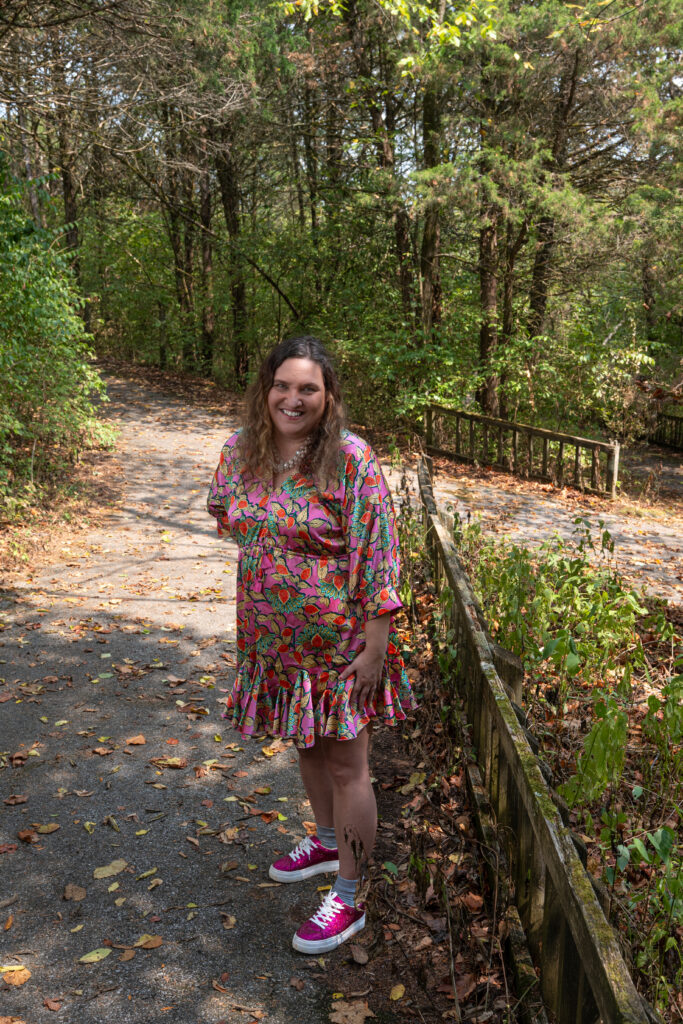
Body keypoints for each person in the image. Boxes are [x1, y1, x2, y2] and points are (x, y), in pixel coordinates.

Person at [207, 335, 416, 954]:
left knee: (348, 765)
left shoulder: (352, 460)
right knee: (306, 743)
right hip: (272, 644)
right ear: (264, 390)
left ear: (329, 397)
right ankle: (326, 840)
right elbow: (229, 517)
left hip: (341, 646)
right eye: (282, 385)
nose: (293, 399)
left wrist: (375, 646)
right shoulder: (239, 452)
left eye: (308, 388)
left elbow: (379, 554)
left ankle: (348, 900)